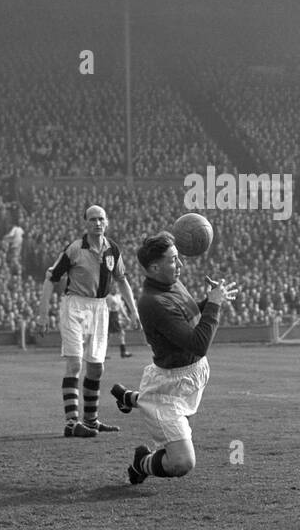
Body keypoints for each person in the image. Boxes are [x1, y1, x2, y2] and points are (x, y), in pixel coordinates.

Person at [109, 232, 238, 485]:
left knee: (171, 412)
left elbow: (184, 313)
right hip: (169, 385)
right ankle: (142, 462)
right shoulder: (153, 302)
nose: (180, 265)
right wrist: (213, 306)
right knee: (182, 462)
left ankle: (129, 398)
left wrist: (207, 301)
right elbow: (198, 344)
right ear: (155, 267)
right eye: (173, 260)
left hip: (193, 374)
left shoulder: (171, 283)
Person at [37, 204, 138, 437]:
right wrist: (42, 315)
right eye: (92, 219)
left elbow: (122, 281)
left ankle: (91, 422)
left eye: (101, 218)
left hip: (100, 307)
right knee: (74, 363)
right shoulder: (74, 249)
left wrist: (133, 311)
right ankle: (72, 424)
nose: (97, 223)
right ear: (85, 223)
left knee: (96, 367)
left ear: (107, 221)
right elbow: (50, 278)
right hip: (75, 306)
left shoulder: (113, 249)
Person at [105, 291, 133, 359]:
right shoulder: (108, 297)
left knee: (115, 334)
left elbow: (121, 308)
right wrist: (106, 318)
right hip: (112, 316)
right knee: (114, 334)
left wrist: (126, 317)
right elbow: (107, 308)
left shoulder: (118, 296)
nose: (115, 288)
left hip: (116, 315)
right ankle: (123, 352)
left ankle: (122, 352)